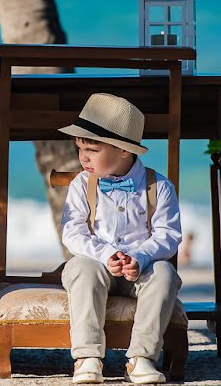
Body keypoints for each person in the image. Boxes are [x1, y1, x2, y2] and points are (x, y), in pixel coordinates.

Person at [58, 93, 182, 385]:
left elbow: (169, 235)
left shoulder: (158, 185)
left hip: (141, 269)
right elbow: (73, 231)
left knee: (166, 273)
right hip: (99, 263)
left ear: (124, 151)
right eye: (80, 148)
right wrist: (105, 255)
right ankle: (87, 357)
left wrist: (141, 257)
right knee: (80, 268)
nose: (83, 157)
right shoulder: (81, 185)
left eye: (92, 149)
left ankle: (142, 357)